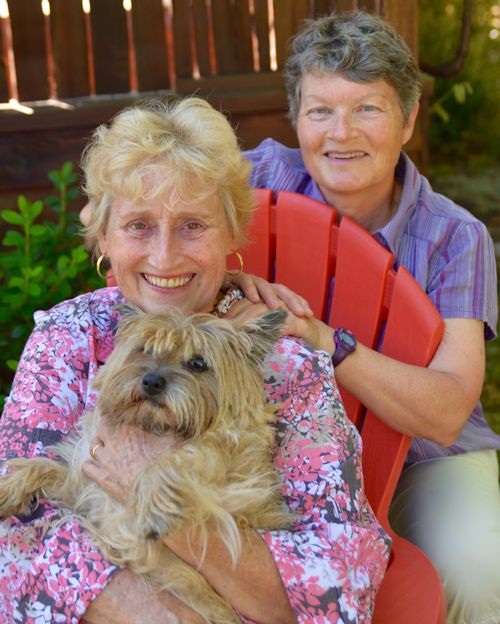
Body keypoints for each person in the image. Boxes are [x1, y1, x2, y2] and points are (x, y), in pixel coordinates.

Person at [0, 96, 390, 624]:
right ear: (104, 239)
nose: (165, 257)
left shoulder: (284, 363)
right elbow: (14, 540)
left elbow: (344, 586)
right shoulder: (67, 339)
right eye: (139, 226)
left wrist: (165, 504)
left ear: (231, 235)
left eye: (192, 226)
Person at [234, 11, 499, 624]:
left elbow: (448, 408)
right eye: (320, 110)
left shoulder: (455, 237)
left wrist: (331, 344)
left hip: (423, 457)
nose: (339, 132)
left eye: (368, 109)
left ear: (408, 119)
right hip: (272, 444)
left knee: (471, 569)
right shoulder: (256, 179)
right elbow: (152, 206)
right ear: (296, 118)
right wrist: (223, 277)